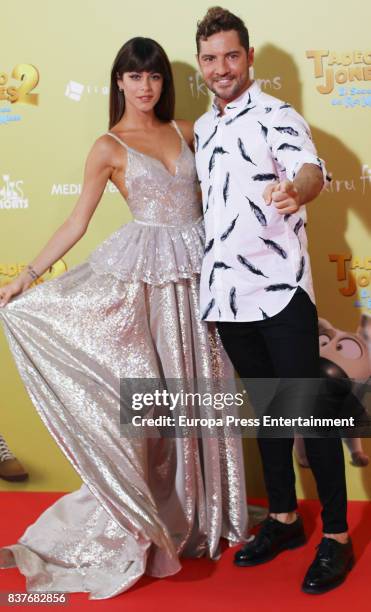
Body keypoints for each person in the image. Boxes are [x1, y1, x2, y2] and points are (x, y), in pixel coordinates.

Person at [0, 37, 248, 599]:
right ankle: (150, 512)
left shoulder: (190, 130)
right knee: (156, 406)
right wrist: (28, 276)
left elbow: (232, 188)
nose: (145, 86)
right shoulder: (108, 146)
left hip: (203, 275)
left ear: (164, 82)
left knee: (205, 390)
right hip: (150, 285)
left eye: (154, 76)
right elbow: (76, 222)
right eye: (134, 77)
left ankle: (210, 512)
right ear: (118, 82)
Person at [194, 7, 354, 595]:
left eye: (231, 56)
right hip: (228, 298)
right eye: (210, 59)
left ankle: (337, 537)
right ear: (201, 65)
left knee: (310, 416)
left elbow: (311, 170)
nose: (222, 68)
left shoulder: (277, 116)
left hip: (282, 292)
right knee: (269, 413)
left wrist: (296, 189)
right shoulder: (203, 129)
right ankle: (284, 521)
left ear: (250, 57)